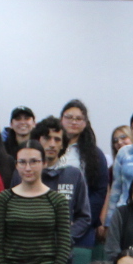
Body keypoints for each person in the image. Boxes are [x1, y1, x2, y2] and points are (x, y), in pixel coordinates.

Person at [0, 142, 72, 264]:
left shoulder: (57, 200)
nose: (28, 167)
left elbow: (64, 244)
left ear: (44, 163)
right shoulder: (5, 198)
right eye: (22, 162)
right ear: (16, 165)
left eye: (34, 161)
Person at [29, 120, 95, 248]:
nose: (52, 144)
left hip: (62, 253)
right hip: (31, 249)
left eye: (57, 140)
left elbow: (84, 217)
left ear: (63, 144)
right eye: (47, 138)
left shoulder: (74, 175)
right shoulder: (24, 173)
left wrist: (65, 237)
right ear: (37, 141)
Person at [57, 100, 113, 247]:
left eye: (79, 119)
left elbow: (99, 191)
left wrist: (82, 221)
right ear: (61, 119)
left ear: (85, 123)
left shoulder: (95, 154)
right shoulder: (49, 149)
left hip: (83, 226)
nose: (73, 122)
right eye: (69, 117)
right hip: (50, 223)